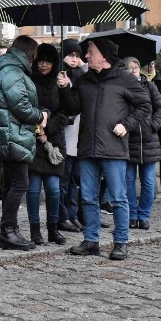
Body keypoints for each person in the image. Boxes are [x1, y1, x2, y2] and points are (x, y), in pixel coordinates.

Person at [67, 37, 151, 261]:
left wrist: (127, 124)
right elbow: (73, 107)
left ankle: (121, 242)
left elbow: (145, 105)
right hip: (87, 147)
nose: (86, 56)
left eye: (90, 51)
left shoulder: (124, 79)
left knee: (118, 198)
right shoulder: (84, 80)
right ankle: (91, 240)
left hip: (113, 148)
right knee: (88, 197)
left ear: (103, 55)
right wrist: (66, 88)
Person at [0, 35, 48, 251]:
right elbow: (20, 105)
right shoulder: (12, 71)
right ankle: (8, 231)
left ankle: (9, 230)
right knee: (19, 183)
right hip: (13, 134)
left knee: (12, 183)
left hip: (11, 133)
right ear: (28, 52)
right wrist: (39, 116)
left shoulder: (11, 68)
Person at [26, 43, 80, 246]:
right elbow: (25, 107)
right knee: (32, 189)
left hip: (54, 143)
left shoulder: (61, 80)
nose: (42, 65)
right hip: (33, 139)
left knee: (54, 188)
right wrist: (39, 122)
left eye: (47, 61)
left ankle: (53, 228)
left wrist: (66, 87)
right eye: (40, 60)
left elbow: (71, 109)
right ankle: (35, 230)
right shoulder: (30, 80)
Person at [123, 57, 161, 230]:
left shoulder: (149, 86)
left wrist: (153, 125)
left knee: (148, 182)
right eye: (130, 68)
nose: (134, 70)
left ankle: (144, 215)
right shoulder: (121, 88)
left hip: (149, 141)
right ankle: (132, 215)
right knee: (128, 181)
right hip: (129, 141)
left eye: (136, 67)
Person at [58, 39, 85, 232]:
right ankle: (63, 216)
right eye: (70, 55)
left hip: (79, 133)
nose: (74, 59)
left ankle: (73, 214)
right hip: (66, 132)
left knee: (75, 180)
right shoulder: (60, 75)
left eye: (77, 55)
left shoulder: (80, 75)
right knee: (64, 180)